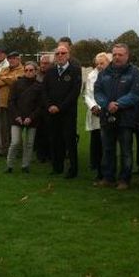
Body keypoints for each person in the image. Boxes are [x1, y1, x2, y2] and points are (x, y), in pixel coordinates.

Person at [94, 44, 139, 190]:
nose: (117, 57)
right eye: (114, 54)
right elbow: (97, 91)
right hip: (107, 116)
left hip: (126, 118)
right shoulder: (104, 72)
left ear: (127, 56)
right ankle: (108, 178)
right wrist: (107, 104)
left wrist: (119, 104)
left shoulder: (134, 73)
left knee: (126, 151)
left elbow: (136, 94)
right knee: (107, 149)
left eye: (120, 54)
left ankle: (124, 180)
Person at [43, 44, 82, 178]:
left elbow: (74, 92)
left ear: (68, 55)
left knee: (69, 141)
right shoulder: (50, 71)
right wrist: (50, 106)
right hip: (52, 113)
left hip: (68, 113)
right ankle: (57, 167)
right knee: (55, 140)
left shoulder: (75, 70)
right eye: (58, 54)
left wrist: (60, 107)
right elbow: (45, 91)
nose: (60, 56)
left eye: (63, 53)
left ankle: (73, 169)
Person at [4, 61, 45, 173]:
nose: (28, 72)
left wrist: (31, 118)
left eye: (31, 70)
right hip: (17, 117)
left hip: (32, 118)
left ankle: (25, 165)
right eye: (26, 70)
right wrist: (17, 116)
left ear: (35, 71)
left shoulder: (39, 86)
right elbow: (11, 101)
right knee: (15, 142)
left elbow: (40, 105)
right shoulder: (16, 84)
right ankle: (9, 165)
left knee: (29, 143)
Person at [83, 52, 111, 181]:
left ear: (108, 63)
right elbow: (87, 94)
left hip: (108, 112)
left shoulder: (112, 75)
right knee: (96, 143)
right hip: (95, 114)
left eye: (102, 63)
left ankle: (108, 171)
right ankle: (98, 169)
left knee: (107, 144)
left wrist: (102, 108)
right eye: (97, 63)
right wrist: (93, 107)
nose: (99, 66)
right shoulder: (91, 75)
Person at [0, 51, 25, 156]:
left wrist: (3, 79)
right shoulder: (5, 69)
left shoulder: (22, 70)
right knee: (3, 128)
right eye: (10, 58)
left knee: (15, 128)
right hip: (2, 103)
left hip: (15, 105)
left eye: (14, 58)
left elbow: (16, 81)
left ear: (18, 59)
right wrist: (7, 79)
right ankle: (4, 149)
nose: (11, 60)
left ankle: (17, 150)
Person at [34, 54, 53, 162]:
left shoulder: (54, 75)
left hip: (49, 108)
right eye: (42, 63)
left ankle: (50, 154)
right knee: (39, 132)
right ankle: (40, 155)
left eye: (46, 63)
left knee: (50, 132)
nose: (43, 65)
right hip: (38, 108)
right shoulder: (36, 75)